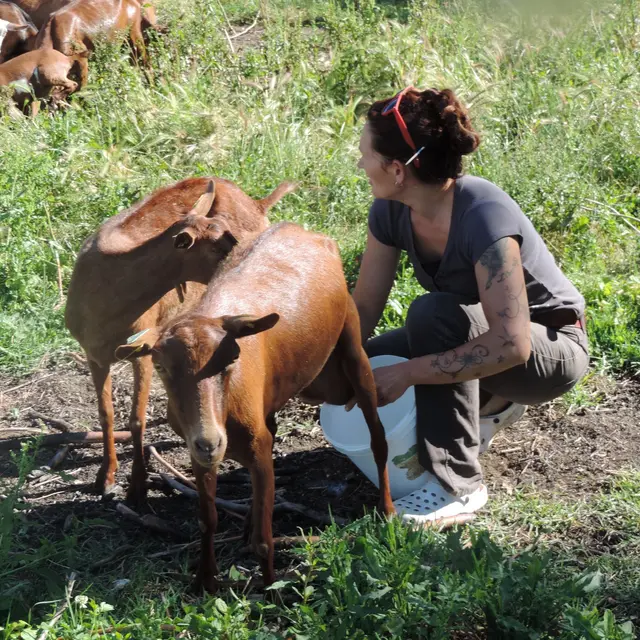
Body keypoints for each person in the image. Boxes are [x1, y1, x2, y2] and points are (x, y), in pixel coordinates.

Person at [351, 86, 589, 524]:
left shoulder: (483, 214)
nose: (360, 163)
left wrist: (406, 373)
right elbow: (362, 308)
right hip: (477, 331)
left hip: (551, 349)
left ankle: (458, 486)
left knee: (433, 315)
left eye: (364, 153)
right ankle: (487, 403)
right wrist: (322, 368)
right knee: (363, 361)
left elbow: (513, 346)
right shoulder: (389, 211)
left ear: (397, 169)